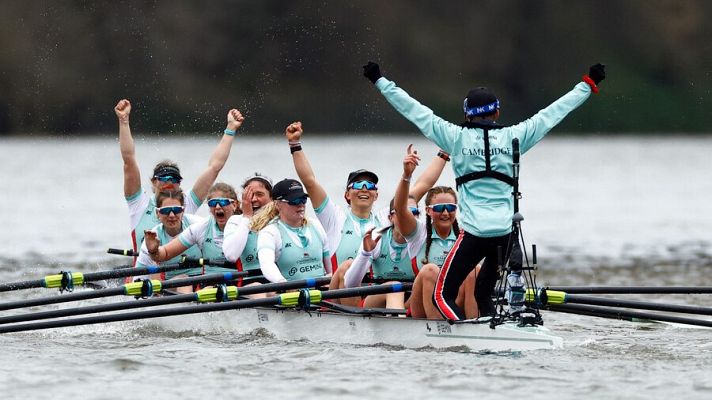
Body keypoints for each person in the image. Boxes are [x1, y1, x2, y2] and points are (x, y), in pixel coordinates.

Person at [362, 61, 606, 320]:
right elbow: (552, 114)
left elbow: (414, 110)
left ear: (467, 114)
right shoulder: (516, 136)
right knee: (482, 294)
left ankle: (462, 331)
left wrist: (380, 80)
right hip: (506, 237)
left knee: (440, 296)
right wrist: (587, 85)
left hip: (475, 236)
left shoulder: (454, 137)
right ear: (496, 113)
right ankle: (491, 325)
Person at [284, 121, 446, 295]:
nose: (364, 188)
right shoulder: (334, 218)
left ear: (376, 195)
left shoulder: (386, 218)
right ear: (347, 194)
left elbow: (422, 184)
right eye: (358, 184)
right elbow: (310, 181)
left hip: (372, 296)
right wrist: (295, 145)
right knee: (347, 266)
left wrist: (445, 151)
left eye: (370, 186)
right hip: (338, 297)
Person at [115, 99, 244, 254]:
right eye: (164, 178)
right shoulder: (138, 204)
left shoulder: (187, 202)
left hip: (184, 275)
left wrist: (230, 128)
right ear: (153, 182)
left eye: (174, 179)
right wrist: (123, 121)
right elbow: (129, 161)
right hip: (146, 273)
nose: (169, 182)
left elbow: (214, 167)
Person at [390, 145, 479, 319]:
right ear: (429, 211)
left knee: (474, 269)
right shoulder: (418, 232)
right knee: (430, 270)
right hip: (420, 305)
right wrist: (406, 176)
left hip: (454, 301)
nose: (445, 213)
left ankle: (477, 325)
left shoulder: (465, 234)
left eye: (450, 207)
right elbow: (400, 208)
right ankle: (439, 329)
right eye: (439, 208)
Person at [145, 183, 241, 281]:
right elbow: (165, 253)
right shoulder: (201, 227)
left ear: (234, 204)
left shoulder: (246, 226)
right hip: (211, 286)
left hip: (242, 284)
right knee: (184, 283)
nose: (217, 206)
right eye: (212, 203)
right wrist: (153, 251)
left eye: (223, 202)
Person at [253, 178, 332, 283]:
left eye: (303, 199)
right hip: (291, 293)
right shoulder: (270, 232)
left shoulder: (316, 226)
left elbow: (331, 268)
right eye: (294, 201)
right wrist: (283, 283)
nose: (301, 205)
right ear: (277, 204)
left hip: (323, 291)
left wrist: (331, 279)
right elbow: (267, 264)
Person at [135, 189, 204, 284]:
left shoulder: (198, 224)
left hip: (203, 281)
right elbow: (138, 277)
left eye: (176, 210)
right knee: (182, 280)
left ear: (183, 211)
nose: (171, 215)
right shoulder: (153, 236)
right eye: (166, 211)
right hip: (173, 286)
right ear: (157, 213)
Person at [222, 173, 274, 285]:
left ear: (271, 198)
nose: (254, 199)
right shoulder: (236, 221)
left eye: (259, 194)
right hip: (251, 283)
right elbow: (231, 255)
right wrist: (247, 217)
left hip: (280, 281)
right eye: (250, 195)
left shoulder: (279, 220)